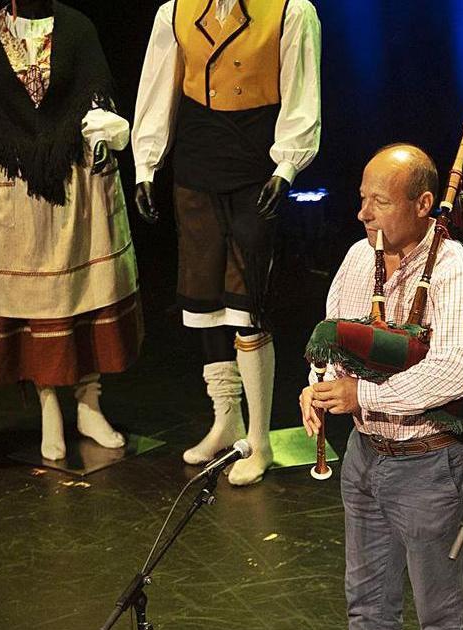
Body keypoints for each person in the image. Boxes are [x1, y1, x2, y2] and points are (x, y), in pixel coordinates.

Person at [299, 144, 463, 630]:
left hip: (431, 467)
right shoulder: (359, 258)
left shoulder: (454, 271)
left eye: (378, 202)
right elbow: (334, 336)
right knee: (367, 607)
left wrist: (364, 396)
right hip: (365, 460)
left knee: (439, 613)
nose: (363, 213)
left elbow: (456, 368)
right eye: (362, 199)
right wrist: (319, 385)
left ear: (424, 204)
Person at [0, 0, 142, 461]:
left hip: (72, 177)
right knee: (37, 302)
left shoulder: (76, 26)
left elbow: (94, 93)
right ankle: (49, 405)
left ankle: (89, 405)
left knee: (84, 292)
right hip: (12, 181)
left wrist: (101, 139)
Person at [132, 0, 321, 485]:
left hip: (253, 168)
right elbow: (158, 89)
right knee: (204, 301)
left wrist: (286, 167)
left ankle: (258, 440)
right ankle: (226, 419)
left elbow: (301, 95)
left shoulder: (289, 11)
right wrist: (146, 166)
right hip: (197, 163)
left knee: (246, 302)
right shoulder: (174, 12)